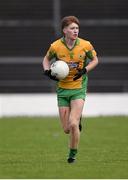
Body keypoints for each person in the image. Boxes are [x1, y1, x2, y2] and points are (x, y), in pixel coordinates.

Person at [42, 16, 98, 163]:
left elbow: (95, 60)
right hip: (62, 90)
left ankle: (72, 155)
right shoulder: (55, 46)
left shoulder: (85, 45)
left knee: (73, 124)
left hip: (78, 88)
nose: (75, 31)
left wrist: (85, 70)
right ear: (64, 30)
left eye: (77, 28)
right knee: (67, 129)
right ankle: (76, 120)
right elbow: (46, 59)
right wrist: (47, 71)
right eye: (72, 28)